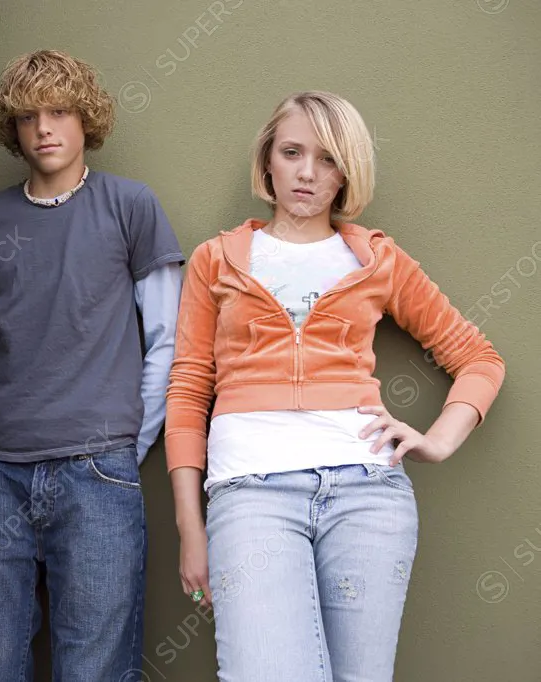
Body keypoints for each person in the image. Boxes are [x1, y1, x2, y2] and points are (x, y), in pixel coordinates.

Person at [164, 90, 505, 681]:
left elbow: (479, 357)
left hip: (369, 493)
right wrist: (189, 528)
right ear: (267, 159)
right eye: (292, 152)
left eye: (327, 159)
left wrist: (439, 439)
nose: (306, 172)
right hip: (250, 492)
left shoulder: (377, 260)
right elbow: (191, 390)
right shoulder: (216, 261)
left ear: (347, 172)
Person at [0, 50, 185, 681]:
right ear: (11, 129)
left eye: (60, 111)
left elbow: (169, 340)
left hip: (100, 478)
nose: (44, 128)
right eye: (27, 116)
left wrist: (128, 439)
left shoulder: (130, 207)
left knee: (94, 669)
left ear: (85, 119)